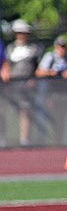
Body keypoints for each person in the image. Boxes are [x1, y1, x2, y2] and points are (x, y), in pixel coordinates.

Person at [1, 19, 46, 147]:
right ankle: (4, 139)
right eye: (19, 32)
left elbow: (38, 67)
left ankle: (24, 139)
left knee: (25, 110)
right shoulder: (10, 49)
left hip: (26, 84)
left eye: (24, 32)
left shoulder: (34, 49)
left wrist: (33, 79)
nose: (22, 35)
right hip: (11, 84)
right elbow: (6, 65)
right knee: (5, 111)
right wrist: (6, 74)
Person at [35, 35, 67, 145]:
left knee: (61, 118)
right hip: (50, 92)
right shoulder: (50, 57)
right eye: (60, 46)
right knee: (50, 117)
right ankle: (47, 141)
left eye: (64, 47)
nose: (62, 49)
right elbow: (39, 72)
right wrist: (51, 72)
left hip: (65, 93)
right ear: (55, 47)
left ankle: (60, 141)